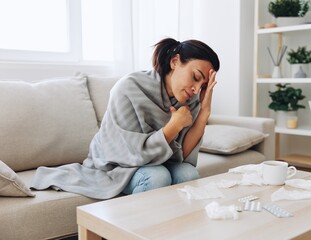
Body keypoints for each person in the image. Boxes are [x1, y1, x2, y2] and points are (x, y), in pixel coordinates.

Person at [31, 38, 220, 199]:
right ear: (175, 61)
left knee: (188, 173)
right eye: (195, 77)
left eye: (203, 86)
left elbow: (183, 157)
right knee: (156, 177)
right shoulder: (130, 88)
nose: (196, 89)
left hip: (156, 162)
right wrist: (174, 125)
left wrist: (203, 114)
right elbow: (129, 153)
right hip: (116, 165)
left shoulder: (190, 101)